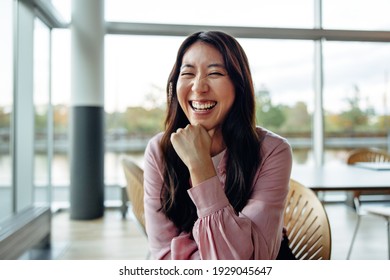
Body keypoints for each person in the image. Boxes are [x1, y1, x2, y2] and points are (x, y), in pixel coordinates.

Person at [143, 31, 293, 260]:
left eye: (214, 73)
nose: (199, 86)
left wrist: (200, 165)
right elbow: (163, 254)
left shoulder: (272, 151)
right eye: (188, 73)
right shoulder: (159, 151)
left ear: (238, 85)